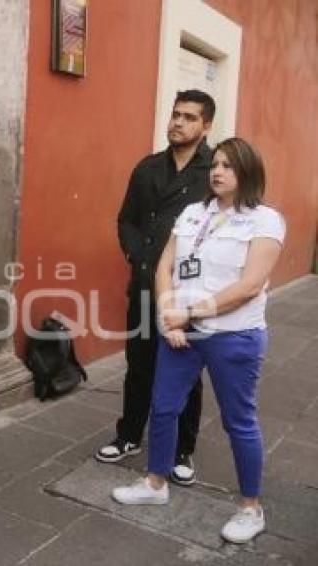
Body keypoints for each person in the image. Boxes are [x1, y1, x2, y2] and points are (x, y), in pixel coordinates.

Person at [112, 137, 284, 544]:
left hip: (233, 337)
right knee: (164, 407)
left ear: (248, 173)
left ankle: (250, 507)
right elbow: (165, 265)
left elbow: (249, 286)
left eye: (229, 166)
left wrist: (188, 313)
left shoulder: (265, 220)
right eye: (216, 165)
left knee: (238, 421)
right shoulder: (193, 213)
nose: (218, 172)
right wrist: (168, 316)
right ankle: (156, 482)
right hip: (181, 333)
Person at [97, 90, 217, 487]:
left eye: (189, 117)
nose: (178, 123)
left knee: (185, 372)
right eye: (175, 114)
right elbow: (126, 220)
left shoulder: (214, 173)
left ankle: (183, 450)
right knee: (140, 365)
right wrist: (136, 257)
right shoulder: (148, 168)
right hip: (146, 286)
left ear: (206, 126)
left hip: (187, 294)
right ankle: (130, 435)